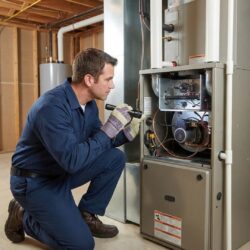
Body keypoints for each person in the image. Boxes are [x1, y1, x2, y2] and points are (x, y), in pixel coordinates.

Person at [5, 48, 144, 250]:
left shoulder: (89, 106)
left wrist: (124, 134)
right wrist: (109, 129)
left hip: (59, 172)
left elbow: (97, 143)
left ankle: (86, 214)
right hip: (34, 181)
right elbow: (73, 161)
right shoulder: (51, 107)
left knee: (114, 158)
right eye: (108, 79)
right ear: (89, 80)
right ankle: (23, 216)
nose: (112, 85)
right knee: (81, 245)